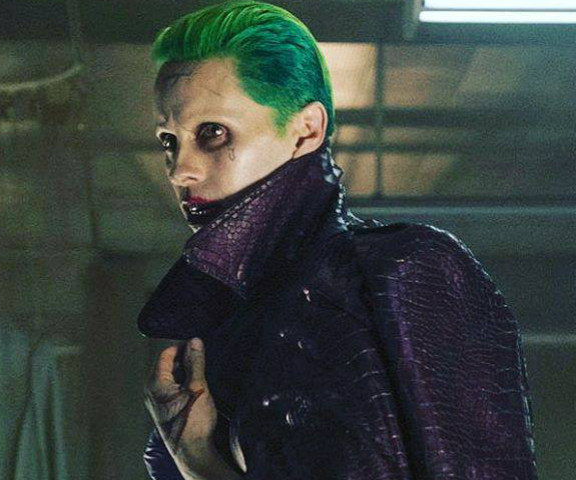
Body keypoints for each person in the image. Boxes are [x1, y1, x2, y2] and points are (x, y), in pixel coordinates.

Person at [137, 1, 539, 479]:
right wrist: (193, 457)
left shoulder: (406, 268)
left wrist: (198, 460)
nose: (180, 170)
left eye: (213, 132)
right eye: (169, 140)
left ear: (306, 130)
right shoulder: (217, 341)